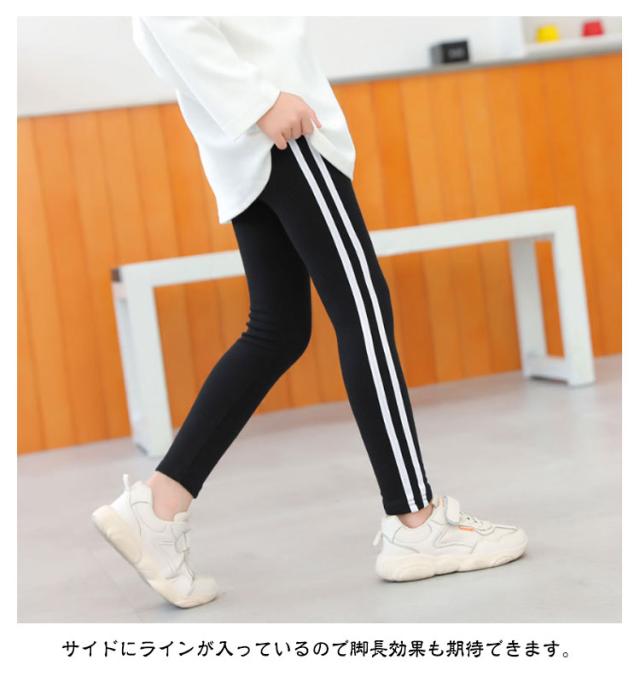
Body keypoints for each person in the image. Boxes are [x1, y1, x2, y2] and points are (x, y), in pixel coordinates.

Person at [91, 16, 527, 609]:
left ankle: (159, 507)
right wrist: (260, 101)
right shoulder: (263, 106)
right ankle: (417, 521)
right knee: (362, 312)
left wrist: (256, 106)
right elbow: (169, 17)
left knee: (279, 330)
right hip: (280, 131)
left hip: (254, 138)